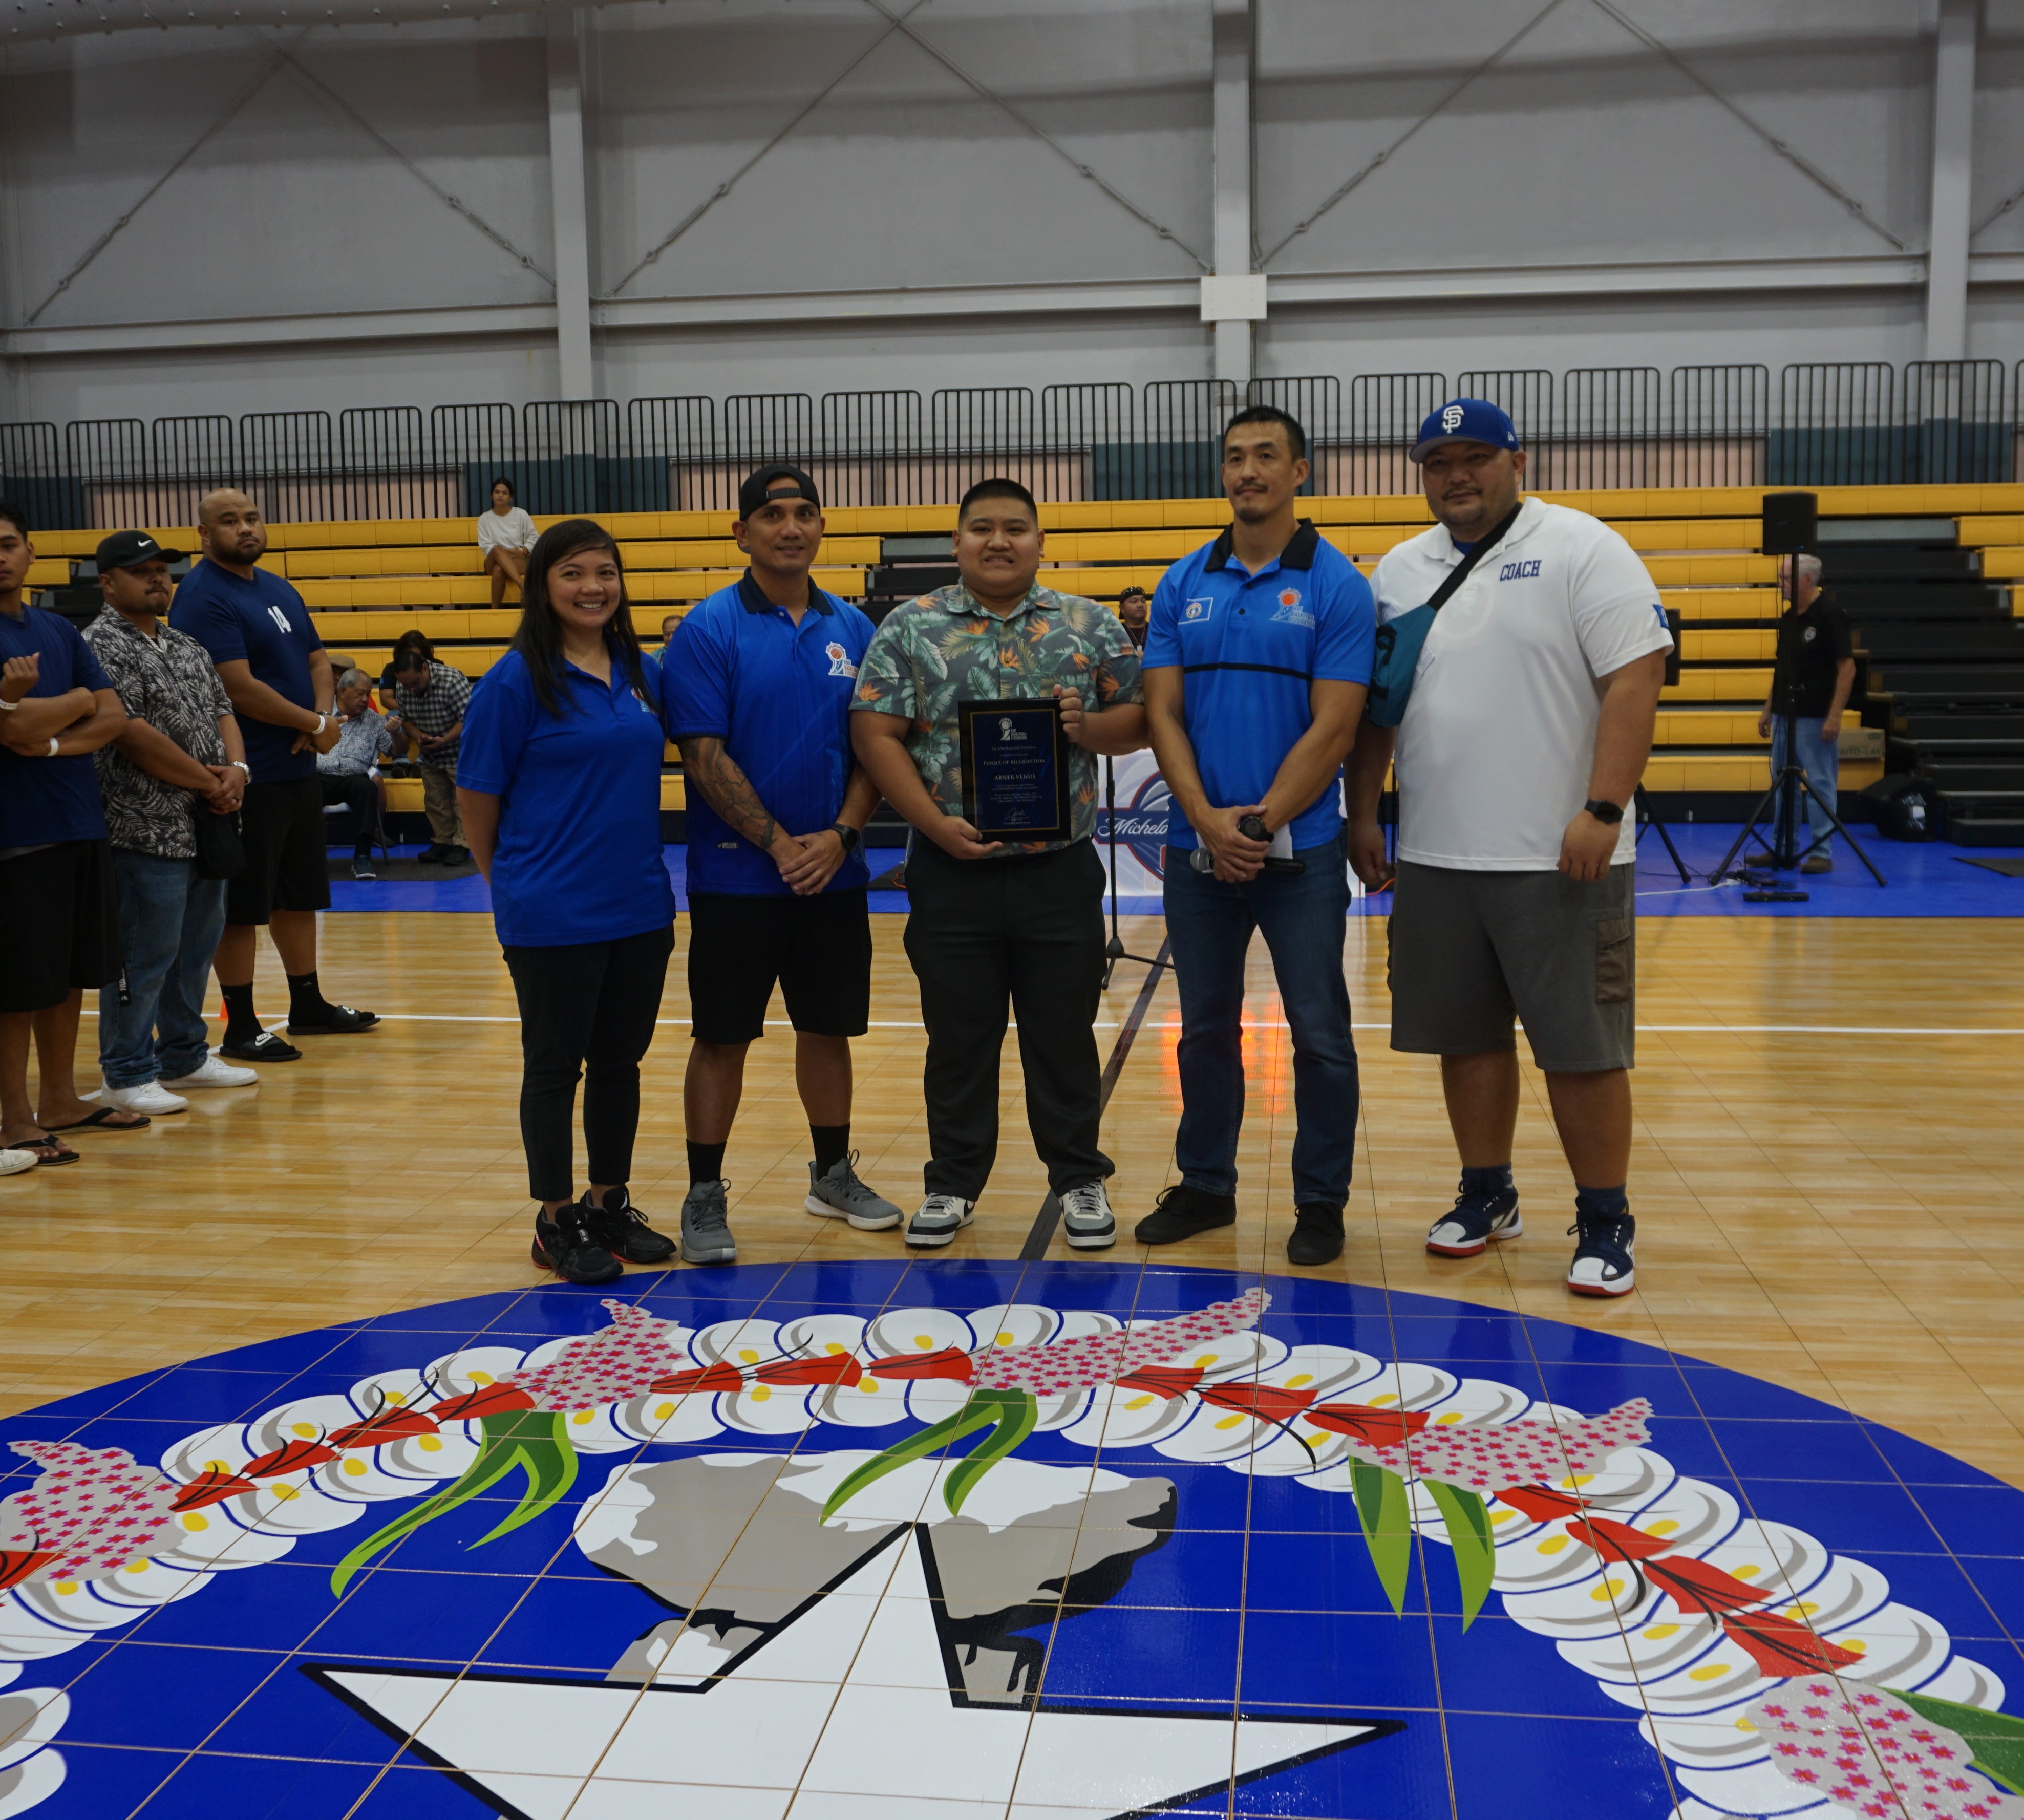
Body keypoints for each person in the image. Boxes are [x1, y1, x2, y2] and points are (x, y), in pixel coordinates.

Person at [1346, 399, 1671, 1298]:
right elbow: (1378, 703)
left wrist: (1601, 808)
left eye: (1474, 457)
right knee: (1466, 1040)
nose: (1456, 474)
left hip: (1560, 852)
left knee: (1581, 1047)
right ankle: (1487, 1192)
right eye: (1437, 460)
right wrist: (1364, 810)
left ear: (1515, 461)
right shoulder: (1400, 570)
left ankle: (1605, 1217)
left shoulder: (1582, 546)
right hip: (1439, 855)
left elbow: (1633, 679)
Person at [850, 477, 1146, 1249]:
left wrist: (1096, 726)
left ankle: (1079, 1175)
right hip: (950, 871)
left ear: (1040, 540)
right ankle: (951, 1182)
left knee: (1064, 1034)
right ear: (957, 541)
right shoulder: (911, 628)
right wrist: (931, 827)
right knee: (959, 1037)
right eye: (981, 527)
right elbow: (876, 732)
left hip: (1059, 868)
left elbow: (1143, 717)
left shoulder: (1087, 625)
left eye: (1016, 526)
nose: (999, 540)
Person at [1137, 406, 1376, 1267]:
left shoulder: (1336, 585)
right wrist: (1203, 817)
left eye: (1265, 456)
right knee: (1202, 1028)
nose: (1248, 471)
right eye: (1235, 458)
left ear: (1299, 471)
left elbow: (1336, 728)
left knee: (1319, 1033)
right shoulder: (1180, 580)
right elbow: (1160, 711)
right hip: (1197, 849)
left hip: (1299, 850)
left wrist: (1263, 821)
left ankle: (1320, 1203)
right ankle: (1204, 1185)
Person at [662, 464, 897, 1266]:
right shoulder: (707, 628)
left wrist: (838, 834)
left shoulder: (855, 629)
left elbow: (878, 744)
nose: (789, 527)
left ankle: (831, 1173)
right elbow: (702, 753)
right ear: (742, 532)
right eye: (772, 515)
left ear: (821, 526)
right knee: (722, 1037)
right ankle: (703, 1192)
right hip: (737, 877)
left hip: (833, 870)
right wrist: (778, 843)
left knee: (827, 1028)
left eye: (803, 513)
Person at [457, 519, 679, 1285]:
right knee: (554, 1066)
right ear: (543, 585)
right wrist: (512, 881)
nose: (593, 587)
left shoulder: (637, 668)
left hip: (641, 905)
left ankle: (607, 1202)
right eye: (574, 573)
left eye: (605, 573)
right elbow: (476, 798)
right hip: (552, 910)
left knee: (620, 1061)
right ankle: (555, 1219)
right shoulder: (515, 679)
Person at [171, 487, 377, 1062]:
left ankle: (307, 1004)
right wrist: (313, 721)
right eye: (229, 521)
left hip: (294, 769)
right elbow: (235, 687)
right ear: (204, 535)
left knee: (298, 895)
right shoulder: (201, 596)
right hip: (243, 773)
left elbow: (318, 658)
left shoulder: (277, 588)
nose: (245, 529)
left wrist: (323, 719)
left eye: (252, 518)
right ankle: (240, 1025)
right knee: (241, 904)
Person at [81, 530, 260, 1115]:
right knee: (143, 955)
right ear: (108, 583)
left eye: (162, 570)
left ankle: (183, 1054)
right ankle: (126, 1071)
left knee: (194, 950)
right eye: (141, 571)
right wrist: (211, 782)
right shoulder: (99, 645)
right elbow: (132, 735)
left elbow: (224, 709)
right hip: (143, 826)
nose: (158, 579)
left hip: (205, 822)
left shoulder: (186, 644)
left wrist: (236, 769)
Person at [0, 500, 141, 1165]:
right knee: (19, 986)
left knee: (69, 976)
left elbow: (112, 713)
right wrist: (75, 705)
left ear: (30, 552)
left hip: (78, 819)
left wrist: (54, 738)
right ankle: (17, 1116)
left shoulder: (57, 629)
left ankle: (60, 1099)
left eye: (7, 543)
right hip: (16, 832)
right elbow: (11, 727)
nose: (0, 555)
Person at [1758, 553, 1855, 874]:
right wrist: (1769, 708)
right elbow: (1781, 667)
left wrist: (1835, 715)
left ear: (1808, 580)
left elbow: (1847, 668)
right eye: (1781, 577)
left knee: (1820, 785)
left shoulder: (1830, 615)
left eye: (1786, 578)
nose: (1780, 584)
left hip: (1816, 716)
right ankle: (1784, 848)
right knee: (1783, 784)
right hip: (1786, 715)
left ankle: (1821, 852)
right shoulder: (1788, 618)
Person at [391, 648, 472, 864]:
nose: (411, 688)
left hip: (460, 751)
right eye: (406, 684)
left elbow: (469, 720)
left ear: (426, 668)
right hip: (430, 754)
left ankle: (462, 844)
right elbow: (406, 718)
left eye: (415, 682)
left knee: (461, 802)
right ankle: (442, 842)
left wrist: (444, 740)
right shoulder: (402, 685)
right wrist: (418, 736)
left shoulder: (452, 680)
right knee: (436, 801)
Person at [318, 668, 399, 879]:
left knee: (366, 787)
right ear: (342, 691)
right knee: (304, 786)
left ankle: (363, 856)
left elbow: (396, 751)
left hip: (353, 779)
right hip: (319, 776)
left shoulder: (374, 720)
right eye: (360, 694)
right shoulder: (321, 712)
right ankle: (308, 856)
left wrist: (396, 733)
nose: (365, 699)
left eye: (368, 694)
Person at [478, 477, 537, 609]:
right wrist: (510, 551)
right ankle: (521, 585)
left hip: (518, 559)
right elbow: (487, 547)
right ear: (491, 495)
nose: (500, 495)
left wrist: (524, 550)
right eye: (497, 492)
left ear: (510, 497)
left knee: (499, 569)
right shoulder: (484, 519)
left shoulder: (521, 514)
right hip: (492, 559)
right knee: (496, 550)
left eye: (505, 493)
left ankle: (494, 610)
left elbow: (533, 537)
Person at [1116, 585, 1150, 650]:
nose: (1140, 605)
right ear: (1122, 608)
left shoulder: (1156, 630)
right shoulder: (1115, 632)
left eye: (1143, 601)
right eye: (1134, 601)